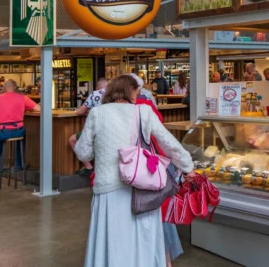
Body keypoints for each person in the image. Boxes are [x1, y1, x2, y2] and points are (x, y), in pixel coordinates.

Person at [74, 75, 194, 267]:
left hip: (108, 190)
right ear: (131, 91)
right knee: (143, 242)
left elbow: (83, 152)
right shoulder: (144, 112)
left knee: (112, 243)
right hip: (143, 188)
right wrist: (188, 166)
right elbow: (168, 142)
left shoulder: (97, 113)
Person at [129, 74, 184, 266]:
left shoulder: (108, 109)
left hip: (131, 169)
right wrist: (185, 166)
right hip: (153, 165)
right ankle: (165, 260)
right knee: (159, 216)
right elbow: (162, 136)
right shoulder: (146, 106)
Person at [0, 79, 41, 189]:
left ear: (3, 88)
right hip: (17, 131)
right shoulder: (23, 98)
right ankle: (19, 164)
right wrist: (26, 110)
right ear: (15, 88)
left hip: (1, 131)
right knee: (23, 135)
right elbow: (39, 109)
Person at [69, 78, 109, 176]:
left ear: (97, 87)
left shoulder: (95, 94)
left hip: (96, 130)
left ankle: (88, 167)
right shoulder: (114, 95)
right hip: (110, 130)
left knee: (72, 140)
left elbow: (80, 111)